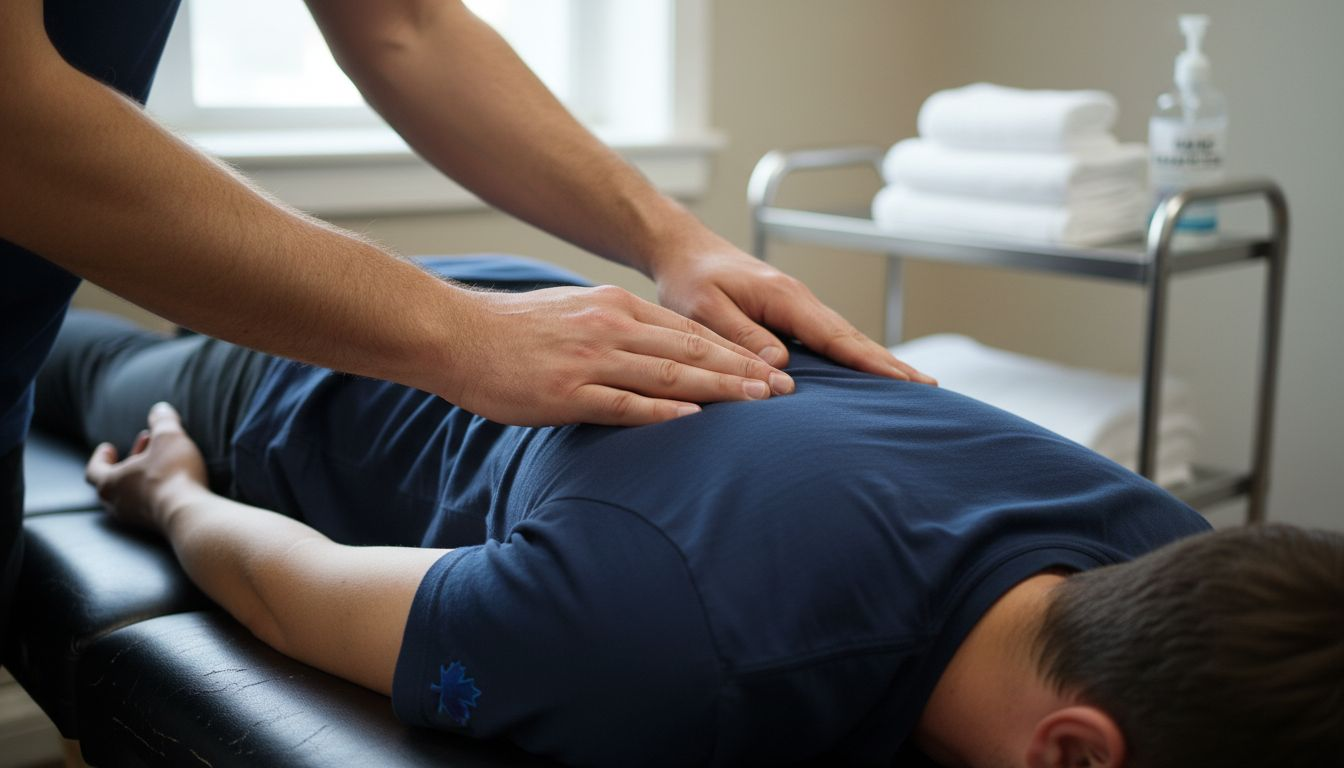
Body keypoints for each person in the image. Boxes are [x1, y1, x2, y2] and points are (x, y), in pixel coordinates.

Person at [36, 257, 1342, 768]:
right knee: (61, 355)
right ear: (1068, 754)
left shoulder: (1167, 554)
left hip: (559, 321)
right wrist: (173, 495)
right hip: (315, 385)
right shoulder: (673, 634)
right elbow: (290, 590)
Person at [0, 1, 931, 645]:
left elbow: (408, 25)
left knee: (82, 367)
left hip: (443, 323)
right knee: (105, 375)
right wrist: (466, 335)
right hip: (314, 384)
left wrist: (675, 240)